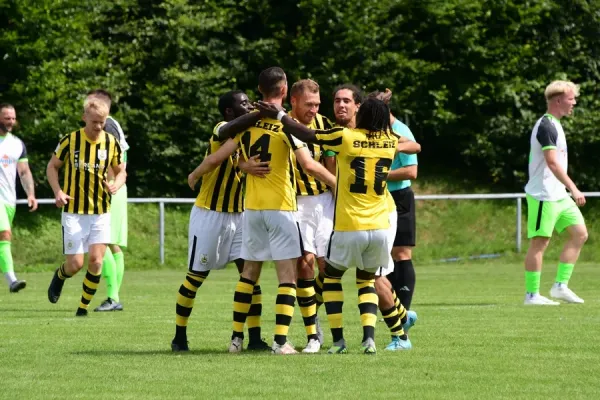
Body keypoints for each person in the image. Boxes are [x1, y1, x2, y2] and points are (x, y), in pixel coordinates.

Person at [190, 67, 335, 354]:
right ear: (284, 91)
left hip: (252, 210)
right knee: (287, 277)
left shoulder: (245, 126)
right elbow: (307, 164)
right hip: (281, 208)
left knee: (249, 276)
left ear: (259, 91)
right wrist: (337, 183)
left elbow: (216, 157)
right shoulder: (286, 124)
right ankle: (281, 342)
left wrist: (194, 175)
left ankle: (236, 340)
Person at [260, 97, 420, 354]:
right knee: (369, 279)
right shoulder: (390, 141)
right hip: (380, 223)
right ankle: (380, 337)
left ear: (362, 115)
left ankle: (338, 341)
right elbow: (413, 146)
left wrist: (280, 116)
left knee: (331, 276)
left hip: (350, 224)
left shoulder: (344, 136)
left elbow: (307, 134)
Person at [173, 90, 271, 352]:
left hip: (240, 216)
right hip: (210, 214)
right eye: (243, 103)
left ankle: (255, 338)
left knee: (249, 277)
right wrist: (195, 173)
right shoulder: (223, 128)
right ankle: (179, 336)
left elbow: (242, 160)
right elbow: (219, 154)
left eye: (250, 101)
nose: (249, 105)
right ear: (229, 112)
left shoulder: (250, 133)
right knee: (196, 277)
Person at [46, 97, 126, 316]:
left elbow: (121, 171)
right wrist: (58, 191)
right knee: (75, 264)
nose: (99, 127)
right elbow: (52, 167)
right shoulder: (69, 141)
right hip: (73, 212)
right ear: (84, 118)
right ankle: (61, 276)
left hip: (100, 212)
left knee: (97, 260)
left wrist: (115, 185)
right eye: (95, 122)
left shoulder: (111, 143)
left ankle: (82, 308)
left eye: (102, 122)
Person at [523, 80, 587, 305]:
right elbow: (551, 163)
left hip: (558, 194)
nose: (574, 103)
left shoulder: (557, 124)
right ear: (559, 100)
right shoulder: (546, 126)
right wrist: (574, 187)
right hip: (543, 195)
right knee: (540, 243)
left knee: (580, 234)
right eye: (571, 99)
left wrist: (566, 189)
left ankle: (560, 286)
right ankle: (532, 295)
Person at [289, 79, 336, 352]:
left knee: (327, 266)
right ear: (293, 101)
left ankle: (313, 308)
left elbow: (331, 159)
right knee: (304, 265)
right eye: (309, 104)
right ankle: (313, 334)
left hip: (326, 201)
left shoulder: (324, 123)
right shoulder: (283, 125)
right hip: (297, 203)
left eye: (317, 104)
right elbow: (308, 166)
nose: (313, 109)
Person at [85, 90, 130, 312]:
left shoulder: (107, 126)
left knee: (103, 243)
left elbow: (115, 165)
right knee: (113, 245)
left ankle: (113, 297)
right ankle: (113, 296)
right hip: (116, 190)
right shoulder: (113, 124)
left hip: (110, 189)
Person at [0, 104, 38, 292]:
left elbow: (23, 172)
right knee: (4, 234)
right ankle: (12, 280)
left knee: (2, 241)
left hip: (9, 200)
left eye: (13, 118)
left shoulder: (17, 144)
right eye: (7, 118)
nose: (11, 122)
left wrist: (30, 194)